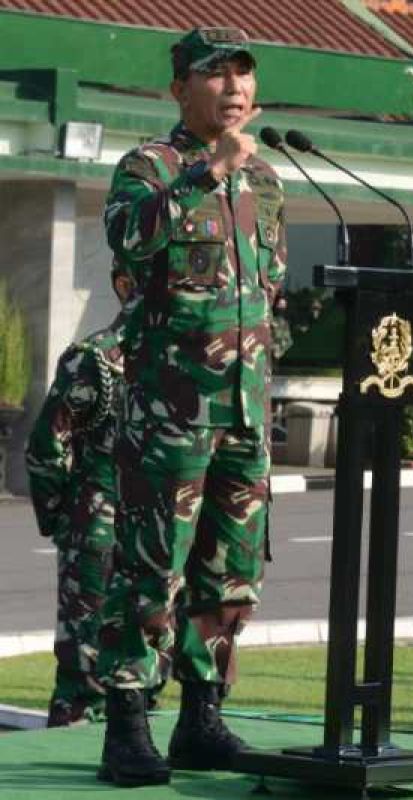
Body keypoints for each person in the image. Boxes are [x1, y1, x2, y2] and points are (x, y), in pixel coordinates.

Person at [94, 27, 286, 787]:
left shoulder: (267, 180)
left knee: (230, 575)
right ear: (179, 88)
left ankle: (202, 717)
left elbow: (267, 290)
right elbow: (128, 242)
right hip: (170, 412)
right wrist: (206, 173)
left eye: (243, 73)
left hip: (244, 413)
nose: (233, 87)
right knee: (150, 571)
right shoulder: (150, 166)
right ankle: (127, 723)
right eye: (216, 75)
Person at [26, 265, 137, 727]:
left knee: (86, 671)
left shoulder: (93, 356)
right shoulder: (177, 359)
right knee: (130, 666)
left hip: (95, 526)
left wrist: (58, 515)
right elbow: (46, 446)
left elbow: (46, 449)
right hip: (148, 533)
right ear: (125, 283)